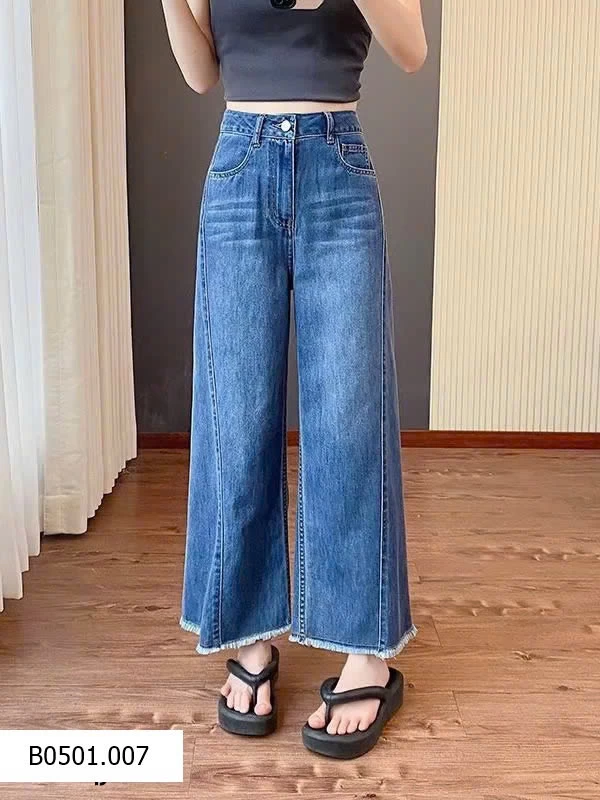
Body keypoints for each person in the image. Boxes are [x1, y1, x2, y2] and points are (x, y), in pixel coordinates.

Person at [162, 0, 427, 758]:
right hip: (239, 163)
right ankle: (249, 636)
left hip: (336, 164)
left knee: (349, 415)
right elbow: (200, 73)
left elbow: (411, 50)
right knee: (236, 414)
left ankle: (366, 652)